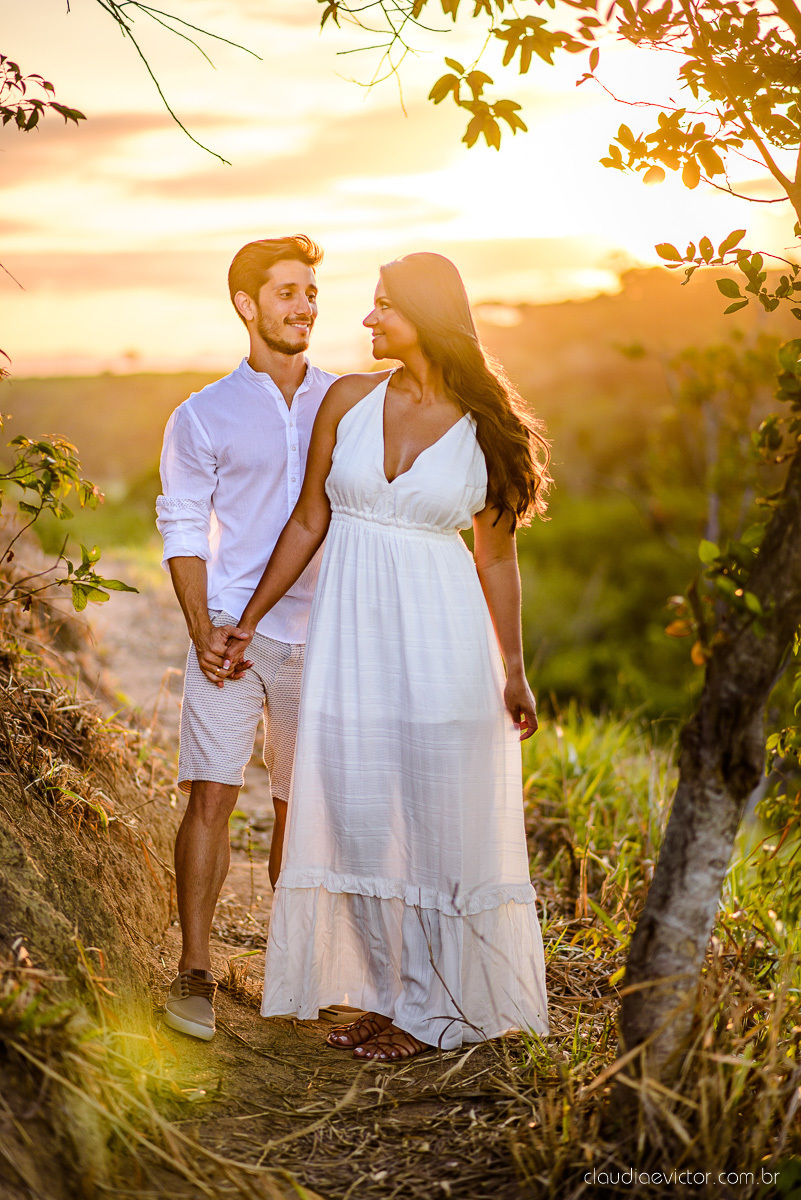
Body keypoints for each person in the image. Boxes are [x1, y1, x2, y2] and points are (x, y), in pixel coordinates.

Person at [223, 251, 550, 1059]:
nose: (365, 321)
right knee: (363, 820)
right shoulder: (347, 400)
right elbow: (308, 522)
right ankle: (384, 992)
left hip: (444, 646)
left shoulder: (487, 431)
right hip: (352, 645)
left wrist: (514, 669)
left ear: (427, 318)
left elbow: (497, 558)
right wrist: (249, 619)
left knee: (441, 823)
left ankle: (434, 1007)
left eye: (383, 308)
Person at [155, 235, 337, 1041]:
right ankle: (194, 972)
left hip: (327, 633)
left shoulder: (347, 401)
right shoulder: (201, 414)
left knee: (303, 812)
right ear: (247, 304)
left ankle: (294, 971)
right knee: (211, 796)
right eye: (287, 292)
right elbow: (183, 524)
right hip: (231, 632)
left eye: (309, 292)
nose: (304, 306)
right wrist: (204, 631)